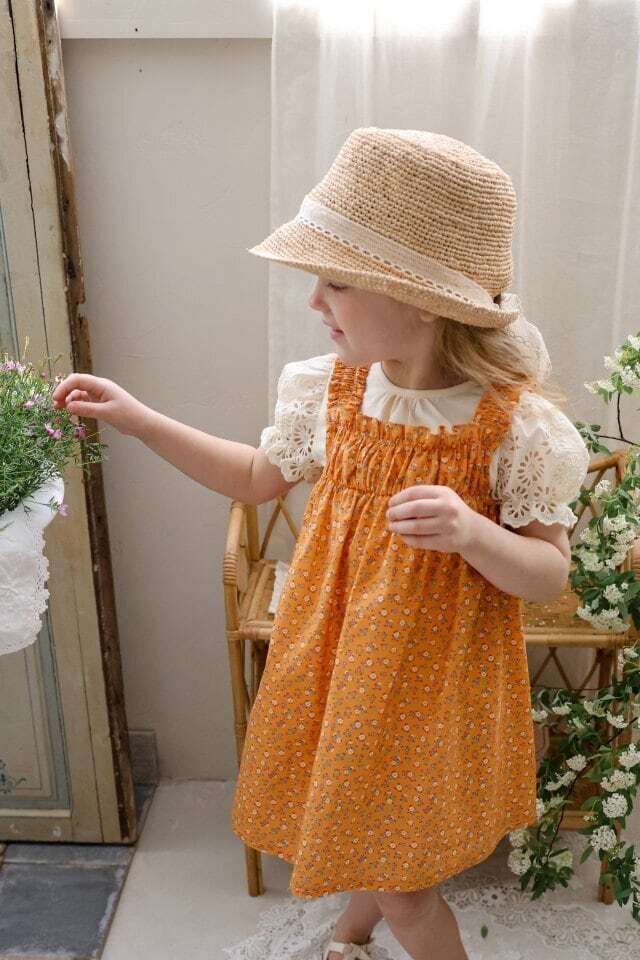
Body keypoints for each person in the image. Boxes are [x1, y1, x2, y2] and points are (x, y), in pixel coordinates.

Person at [51, 128, 591, 960]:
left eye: (336, 283)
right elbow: (255, 477)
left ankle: (371, 928)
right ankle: (351, 936)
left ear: (419, 299)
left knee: (404, 877)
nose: (314, 303)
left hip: (436, 679)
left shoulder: (513, 427)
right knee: (364, 819)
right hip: (339, 659)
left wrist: (473, 532)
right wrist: (138, 418)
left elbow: (548, 574)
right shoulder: (329, 393)